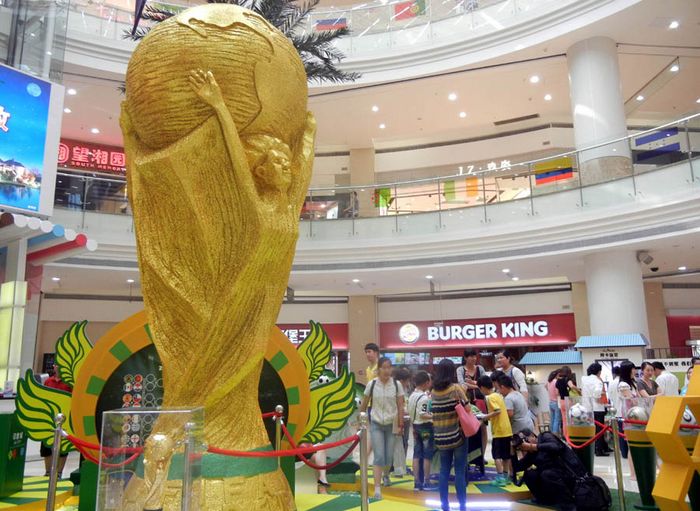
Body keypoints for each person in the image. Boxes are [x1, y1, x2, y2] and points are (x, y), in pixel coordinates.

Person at [359, 357, 405, 500]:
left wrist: (401, 423)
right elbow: (364, 404)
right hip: (376, 423)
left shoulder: (397, 385)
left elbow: (400, 405)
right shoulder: (372, 384)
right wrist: (361, 420)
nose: (386, 370)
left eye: (389, 367)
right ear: (378, 369)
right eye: (383, 367)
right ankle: (377, 487)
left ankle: (386, 475)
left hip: (392, 424)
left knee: (389, 455)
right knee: (379, 455)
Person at [431, 359, 468, 511]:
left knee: (444, 471)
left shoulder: (433, 392)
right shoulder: (455, 389)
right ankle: (462, 506)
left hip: (441, 437)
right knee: (459, 471)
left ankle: (444, 506)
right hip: (457, 436)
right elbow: (468, 410)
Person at [513, 429, 579, 511]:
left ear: (533, 436)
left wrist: (532, 446)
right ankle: (545, 500)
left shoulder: (545, 436)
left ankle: (569, 505)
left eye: (526, 440)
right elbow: (517, 467)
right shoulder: (532, 453)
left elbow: (555, 446)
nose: (525, 444)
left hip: (568, 475)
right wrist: (512, 453)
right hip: (552, 479)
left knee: (547, 474)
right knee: (530, 474)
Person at [478, 374, 513, 486]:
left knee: (497, 456)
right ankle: (506, 476)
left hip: (499, 431)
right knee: (506, 455)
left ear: (482, 388)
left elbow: (497, 411)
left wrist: (485, 417)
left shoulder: (490, 397)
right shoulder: (498, 395)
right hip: (507, 430)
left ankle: (500, 478)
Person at [408, 371, 437, 491]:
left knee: (416, 454)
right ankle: (427, 481)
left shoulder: (412, 395)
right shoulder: (424, 398)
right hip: (425, 427)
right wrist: (434, 416)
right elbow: (423, 414)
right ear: (426, 383)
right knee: (427, 455)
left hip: (415, 427)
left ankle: (416, 482)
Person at [42, 364, 72, 477]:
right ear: (53, 366)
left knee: (63, 447)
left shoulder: (69, 383)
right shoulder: (48, 381)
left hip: (64, 419)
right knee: (46, 446)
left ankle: (59, 472)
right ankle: (48, 471)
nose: (58, 367)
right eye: (56, 365)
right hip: (49, 418)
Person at [581, 362, 611, 457]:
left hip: (587, 407)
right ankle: (599, 450)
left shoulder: (584, 379)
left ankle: (598, 448)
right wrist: (600, 394)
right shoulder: (597, 381)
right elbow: (597, 393)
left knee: (593, 430)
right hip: (598, 408)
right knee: (600, 430)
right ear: (598, 371)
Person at [391, 368, 411, 477]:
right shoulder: (396, 389)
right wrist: (400, 423)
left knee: (403, 444)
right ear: (402, 380)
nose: (408, 383)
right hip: (398, 420)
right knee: (397, 445)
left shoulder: (403, 389)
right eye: (407, 381)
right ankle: (396, 468)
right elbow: (398, 407)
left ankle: (400, 467)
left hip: (404, 419)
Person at [546, 369, 561, 435]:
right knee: (557, 419)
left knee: (552, 418)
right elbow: (557, 392)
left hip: (550, 402)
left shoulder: (549, 382)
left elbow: (545, 386)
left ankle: (551, 432)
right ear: (556, 375)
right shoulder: (555, 381)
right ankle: (555, 434)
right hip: (556, 402)